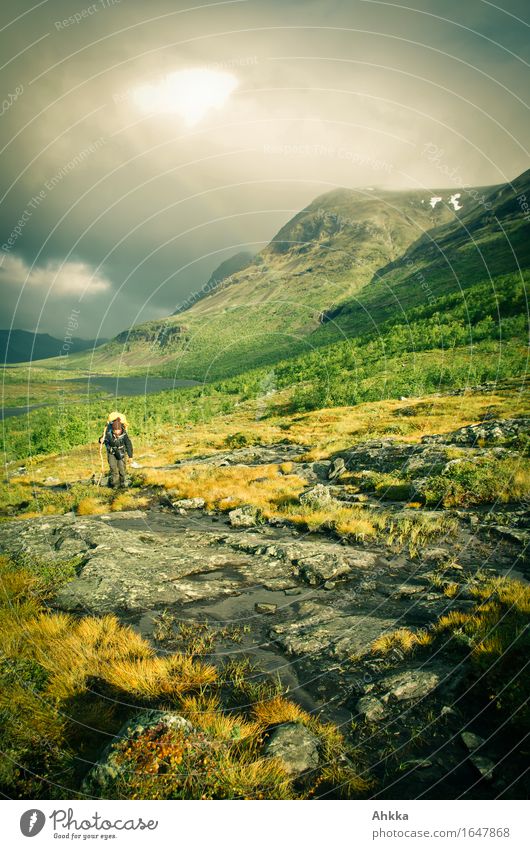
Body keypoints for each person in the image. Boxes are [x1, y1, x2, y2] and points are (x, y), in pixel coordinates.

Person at [99, 416, 133, 488]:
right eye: (115, 430)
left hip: (121, 452)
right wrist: (101, 440)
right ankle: (116, 484)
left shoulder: (124, 435)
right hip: (111, 452)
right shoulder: (108, 433)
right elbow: (102, 438)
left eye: (119, 430)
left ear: (121, 429)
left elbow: (128, 445)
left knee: (122, 468)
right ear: (113, 430)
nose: (117, 432)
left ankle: (123, 482)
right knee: (113, 468)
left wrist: (130, 456)